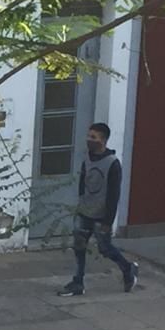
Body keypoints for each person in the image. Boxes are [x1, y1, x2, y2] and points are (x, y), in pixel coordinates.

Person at [59, 122, 139, 297]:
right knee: (79, 245)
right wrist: (81, 201)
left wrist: (107, 222)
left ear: (103, 140)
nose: (89, 140)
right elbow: (83, 180)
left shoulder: (112, 164)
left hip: (101, 214)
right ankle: (78, 282)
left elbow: (113, 195)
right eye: (89, 136)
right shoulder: (87, 158)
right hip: (85, 210)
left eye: (93, 137)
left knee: (105, 248)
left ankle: (128, 268)